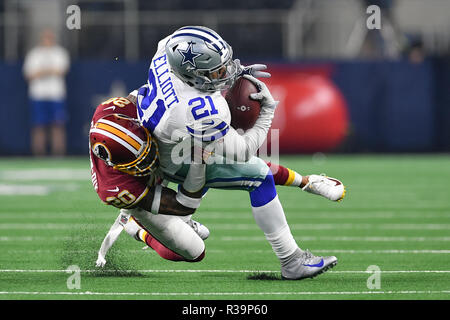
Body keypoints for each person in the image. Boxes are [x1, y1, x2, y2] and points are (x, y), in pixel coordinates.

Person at [128, 26, 345, 280]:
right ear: (193, 75)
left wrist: (232, 72)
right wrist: (267, 112)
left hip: (151, 135)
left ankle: (305, 184)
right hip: (168, 159)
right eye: (217, 70)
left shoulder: (167, 49)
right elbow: (242, 151)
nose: (225, 72)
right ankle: (291, 260)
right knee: (257, 176)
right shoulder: (202, 109)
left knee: (210, 151)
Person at [89, 96, 211, 266]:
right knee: (196, 252)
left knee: (208, 138)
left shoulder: (117, 108)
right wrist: (200, 161)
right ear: (118, 165)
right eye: (140, 161)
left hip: (154, 141)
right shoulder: (114, 187)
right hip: (142, 190)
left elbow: (155, 91)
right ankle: (138, 229)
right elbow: (183, 206)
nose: (150, 159)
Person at [23, 28, 70, 156]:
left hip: (56, 95)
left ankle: (58, 154)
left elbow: (61, 71)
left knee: (58, 125)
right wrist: (49, 71)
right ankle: (39, 154)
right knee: (38, 126)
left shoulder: (60, 53)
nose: (48, 40)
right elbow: (29, 74)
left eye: (50, 37)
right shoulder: (34, 54)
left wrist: (41, 72)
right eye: (46, 37)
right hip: (38, 95)